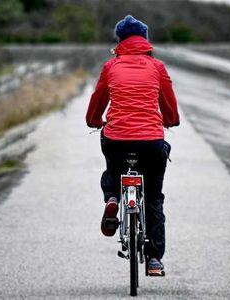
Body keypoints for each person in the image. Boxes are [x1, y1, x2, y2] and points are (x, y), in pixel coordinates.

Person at [86, 15, 179, 276]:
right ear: (145, 40)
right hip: (151, 141)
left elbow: (98, 100)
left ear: (120, 40)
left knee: (113, 172)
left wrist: (93, 121)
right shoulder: (157, 67)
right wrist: (171, 120)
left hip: (117, 139)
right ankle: (153, 260)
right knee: (153, 197)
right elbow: (168, 103)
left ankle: (114, 197)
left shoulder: (110, 66)